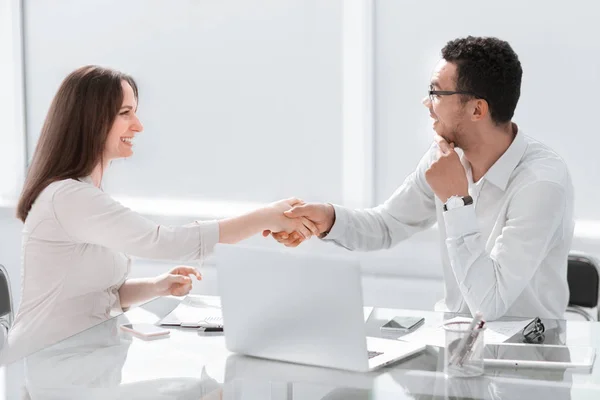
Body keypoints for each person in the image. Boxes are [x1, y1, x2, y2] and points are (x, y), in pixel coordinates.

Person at [1, 65, 318, 363]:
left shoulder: (86, 198)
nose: (138, 126)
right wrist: (266, 217)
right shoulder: (68, 197)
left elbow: (94, 299)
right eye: (125, 113)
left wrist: (157, 285)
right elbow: (165, 242)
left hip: (83, 362)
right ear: (92, 121)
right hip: (43, 365)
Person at [265, 36, 574, 321]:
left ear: (477, 109)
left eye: (436, 93)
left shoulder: (541, 184)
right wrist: (329, 219)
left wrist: (457, 203)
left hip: (527, 359)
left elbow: (489, 304)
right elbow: (387, 226)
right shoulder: (446, 159)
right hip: (454, 344)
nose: (427, 104)